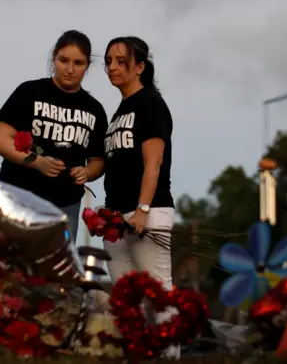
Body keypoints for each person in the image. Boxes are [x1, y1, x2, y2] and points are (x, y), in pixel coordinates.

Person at [0, 30, 107, 242]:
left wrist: (87, 173)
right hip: (18, 197)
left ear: (87, 65)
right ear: (54, 58)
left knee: (56, 269)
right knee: (11, 265)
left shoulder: (94, 109)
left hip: (65, 206)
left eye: (78, 63)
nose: (70, 69)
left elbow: (98, 161)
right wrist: (37, 162)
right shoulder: (29, 92)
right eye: (63, 60)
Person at [101, 36, 177, 358]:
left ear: (140, 67)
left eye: (121, 61)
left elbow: (153, 162)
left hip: (147, 212)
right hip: (116, 219)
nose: (112, 67)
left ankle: (170, 357)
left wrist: (142, 209)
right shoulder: (119, 111)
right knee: (126, 300)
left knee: (158, 295)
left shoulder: (150, 103)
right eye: (108, 61)